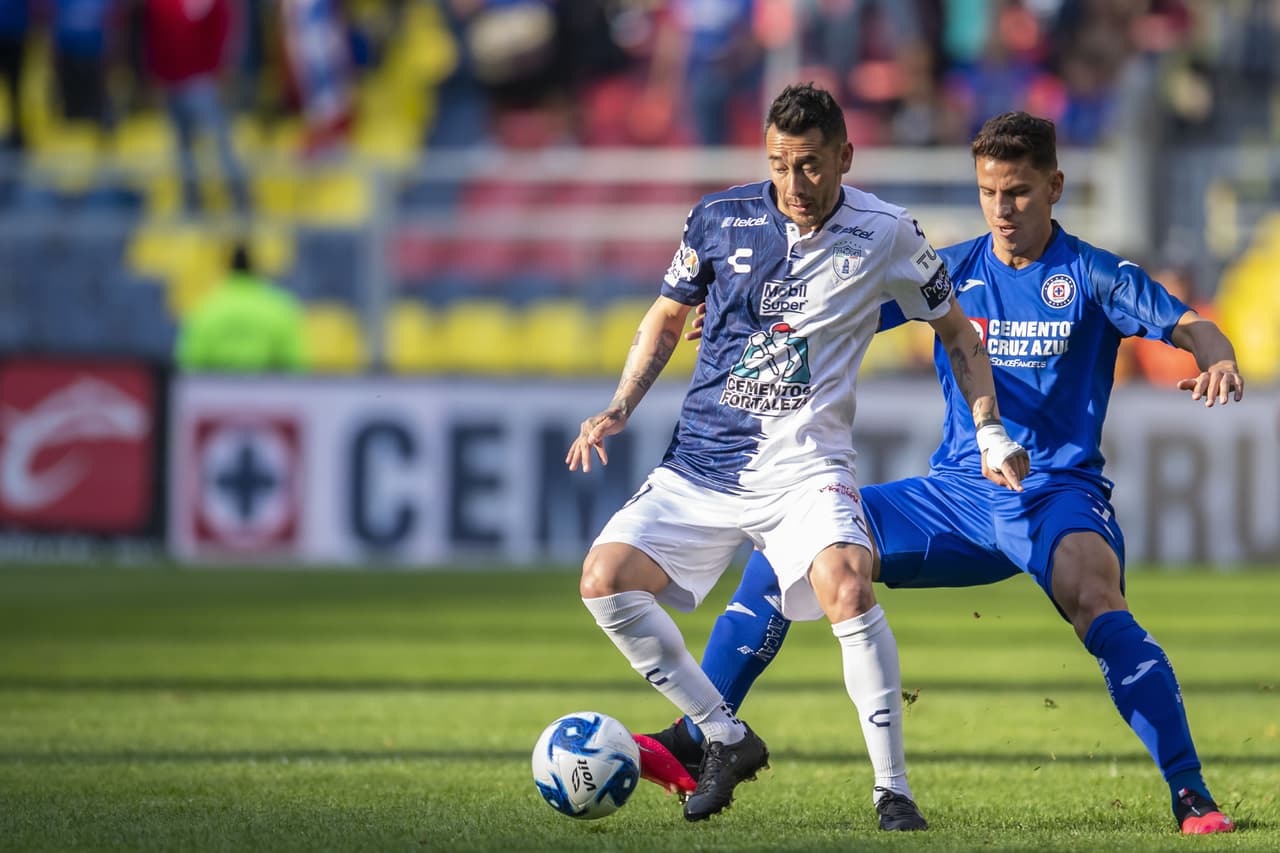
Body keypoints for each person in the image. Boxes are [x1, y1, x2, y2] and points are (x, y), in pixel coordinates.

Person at [642, 111, 1242, 836]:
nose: (1002, 208)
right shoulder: (948, 269)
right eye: (989, 191)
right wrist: (739, 318)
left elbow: (1185, 323)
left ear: (1054, 187)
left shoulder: (1093, 274)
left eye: (1018, 191)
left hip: (1056, 493)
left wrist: (1216, 355)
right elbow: (828, 310)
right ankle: (699, 733)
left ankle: (1191, 794)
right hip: (954, 497)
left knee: (1094, 592)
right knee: (785, 553)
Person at [567, 83, 1029, 827]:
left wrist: (990, 431)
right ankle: (725, 736)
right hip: (703, 465)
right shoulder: (719, 218)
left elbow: (960, 336)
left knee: (848, 585)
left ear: (845, 157)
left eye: (811, 165)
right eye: (780, 165)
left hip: (808, 469)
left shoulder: (888, 233)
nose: (794, 185)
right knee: (603, 581)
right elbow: (665, 317)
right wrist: (620, 404)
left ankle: (894, 791)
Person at [175, 241, 308, 372]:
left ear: (226, 268)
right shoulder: (281, 308)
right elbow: (294, 367)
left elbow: (189, 365)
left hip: (218, 390)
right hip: (265, 391)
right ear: (256, 268)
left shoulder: (204, 309)